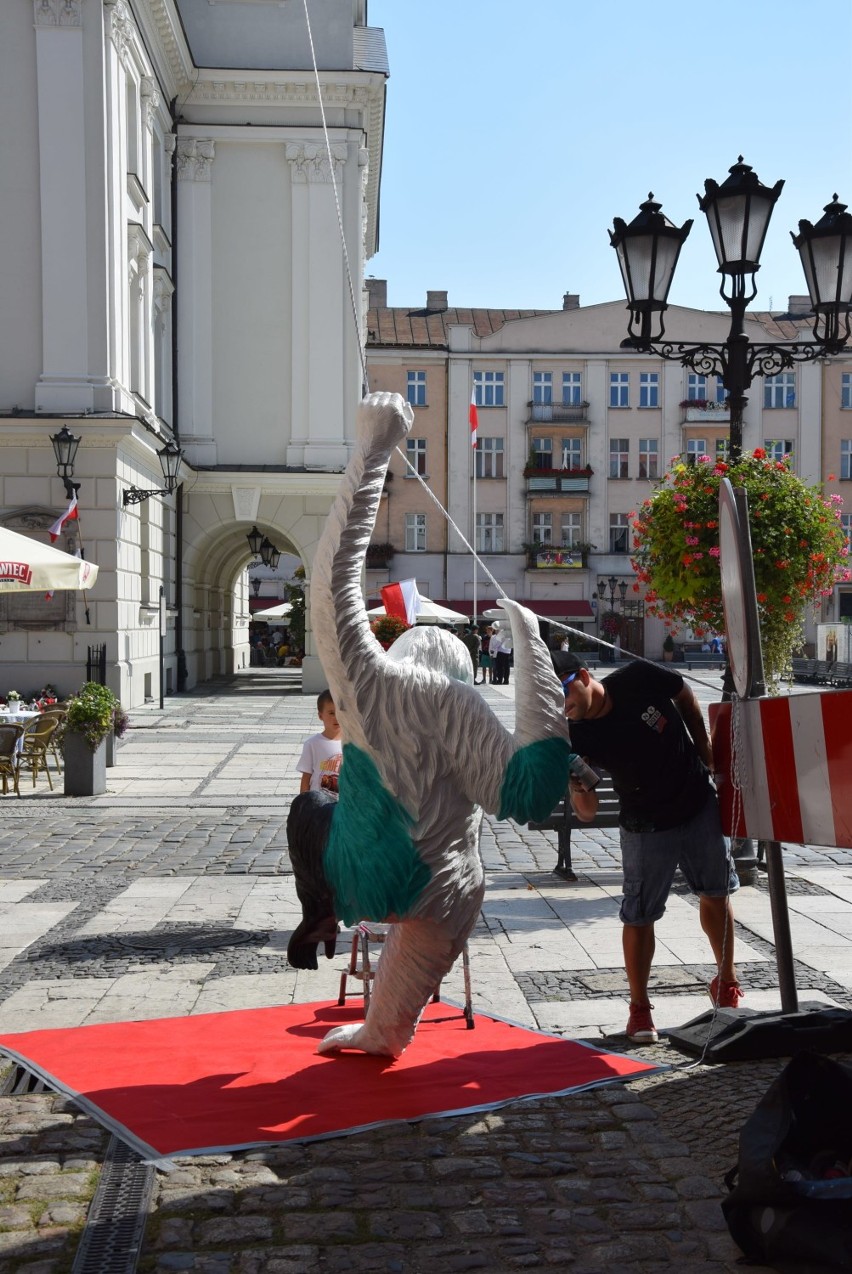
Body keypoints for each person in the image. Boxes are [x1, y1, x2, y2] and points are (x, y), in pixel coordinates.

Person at [552, 650, 741, 1045]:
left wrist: (706, 755)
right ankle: (639, 1009)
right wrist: (577, 786)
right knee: (639, 914)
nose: (561, 704)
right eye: (552, 699)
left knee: (716, 893)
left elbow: (686, 698)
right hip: (644, 822)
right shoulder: (575, 735)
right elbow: (587, 812)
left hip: (696, 801)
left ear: (584, 676)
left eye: (564, 692)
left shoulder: (640, 676)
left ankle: (726, 983)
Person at [297, 689, 343, 794]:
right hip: (319, 805)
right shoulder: (312, 744)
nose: (337, 717)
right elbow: (306, 778)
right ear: (320, 716)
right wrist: (304, 804)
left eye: (340, 712)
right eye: (331, 713)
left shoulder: (352, 744)